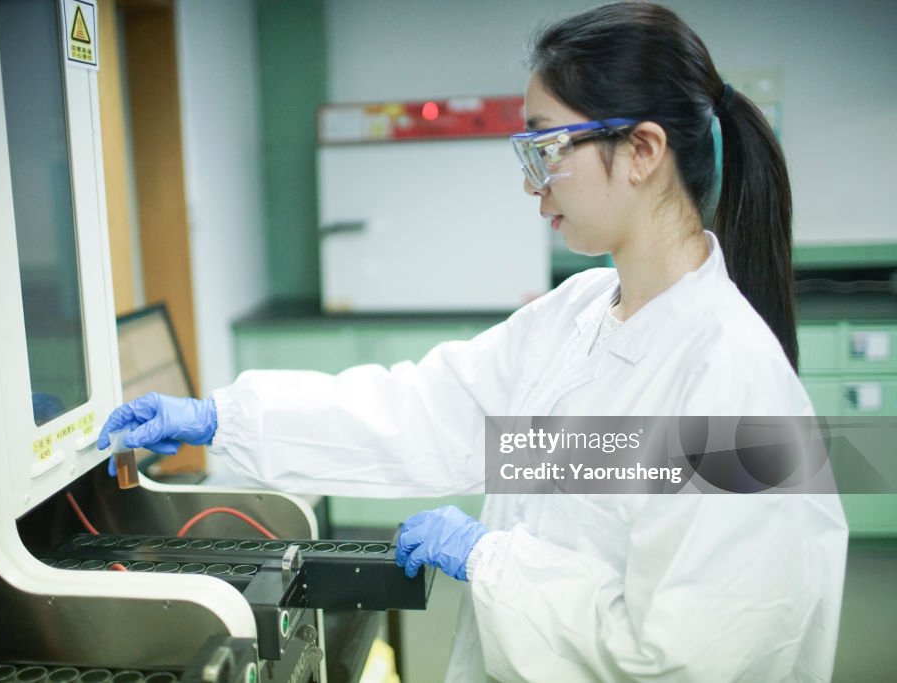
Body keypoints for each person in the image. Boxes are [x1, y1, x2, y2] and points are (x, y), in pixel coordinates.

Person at [98, 4, 847, 681]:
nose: (533, 183)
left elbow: (687, 654)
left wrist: (490, 558)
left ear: (644, 150)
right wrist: (227, 418)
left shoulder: (730, 382)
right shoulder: (585, 314)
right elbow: (429, 409)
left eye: (547, 148)